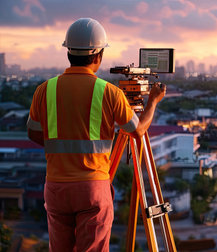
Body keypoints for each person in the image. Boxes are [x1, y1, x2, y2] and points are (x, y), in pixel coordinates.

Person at [27, 18, 166, 251]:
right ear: (98, 55)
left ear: (68, 52)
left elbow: (33, 132)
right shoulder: (109, 92)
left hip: (56, 187)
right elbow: (138, 130)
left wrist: (61, 148)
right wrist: (152, 101)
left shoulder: (44, 89)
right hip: (92, 187)